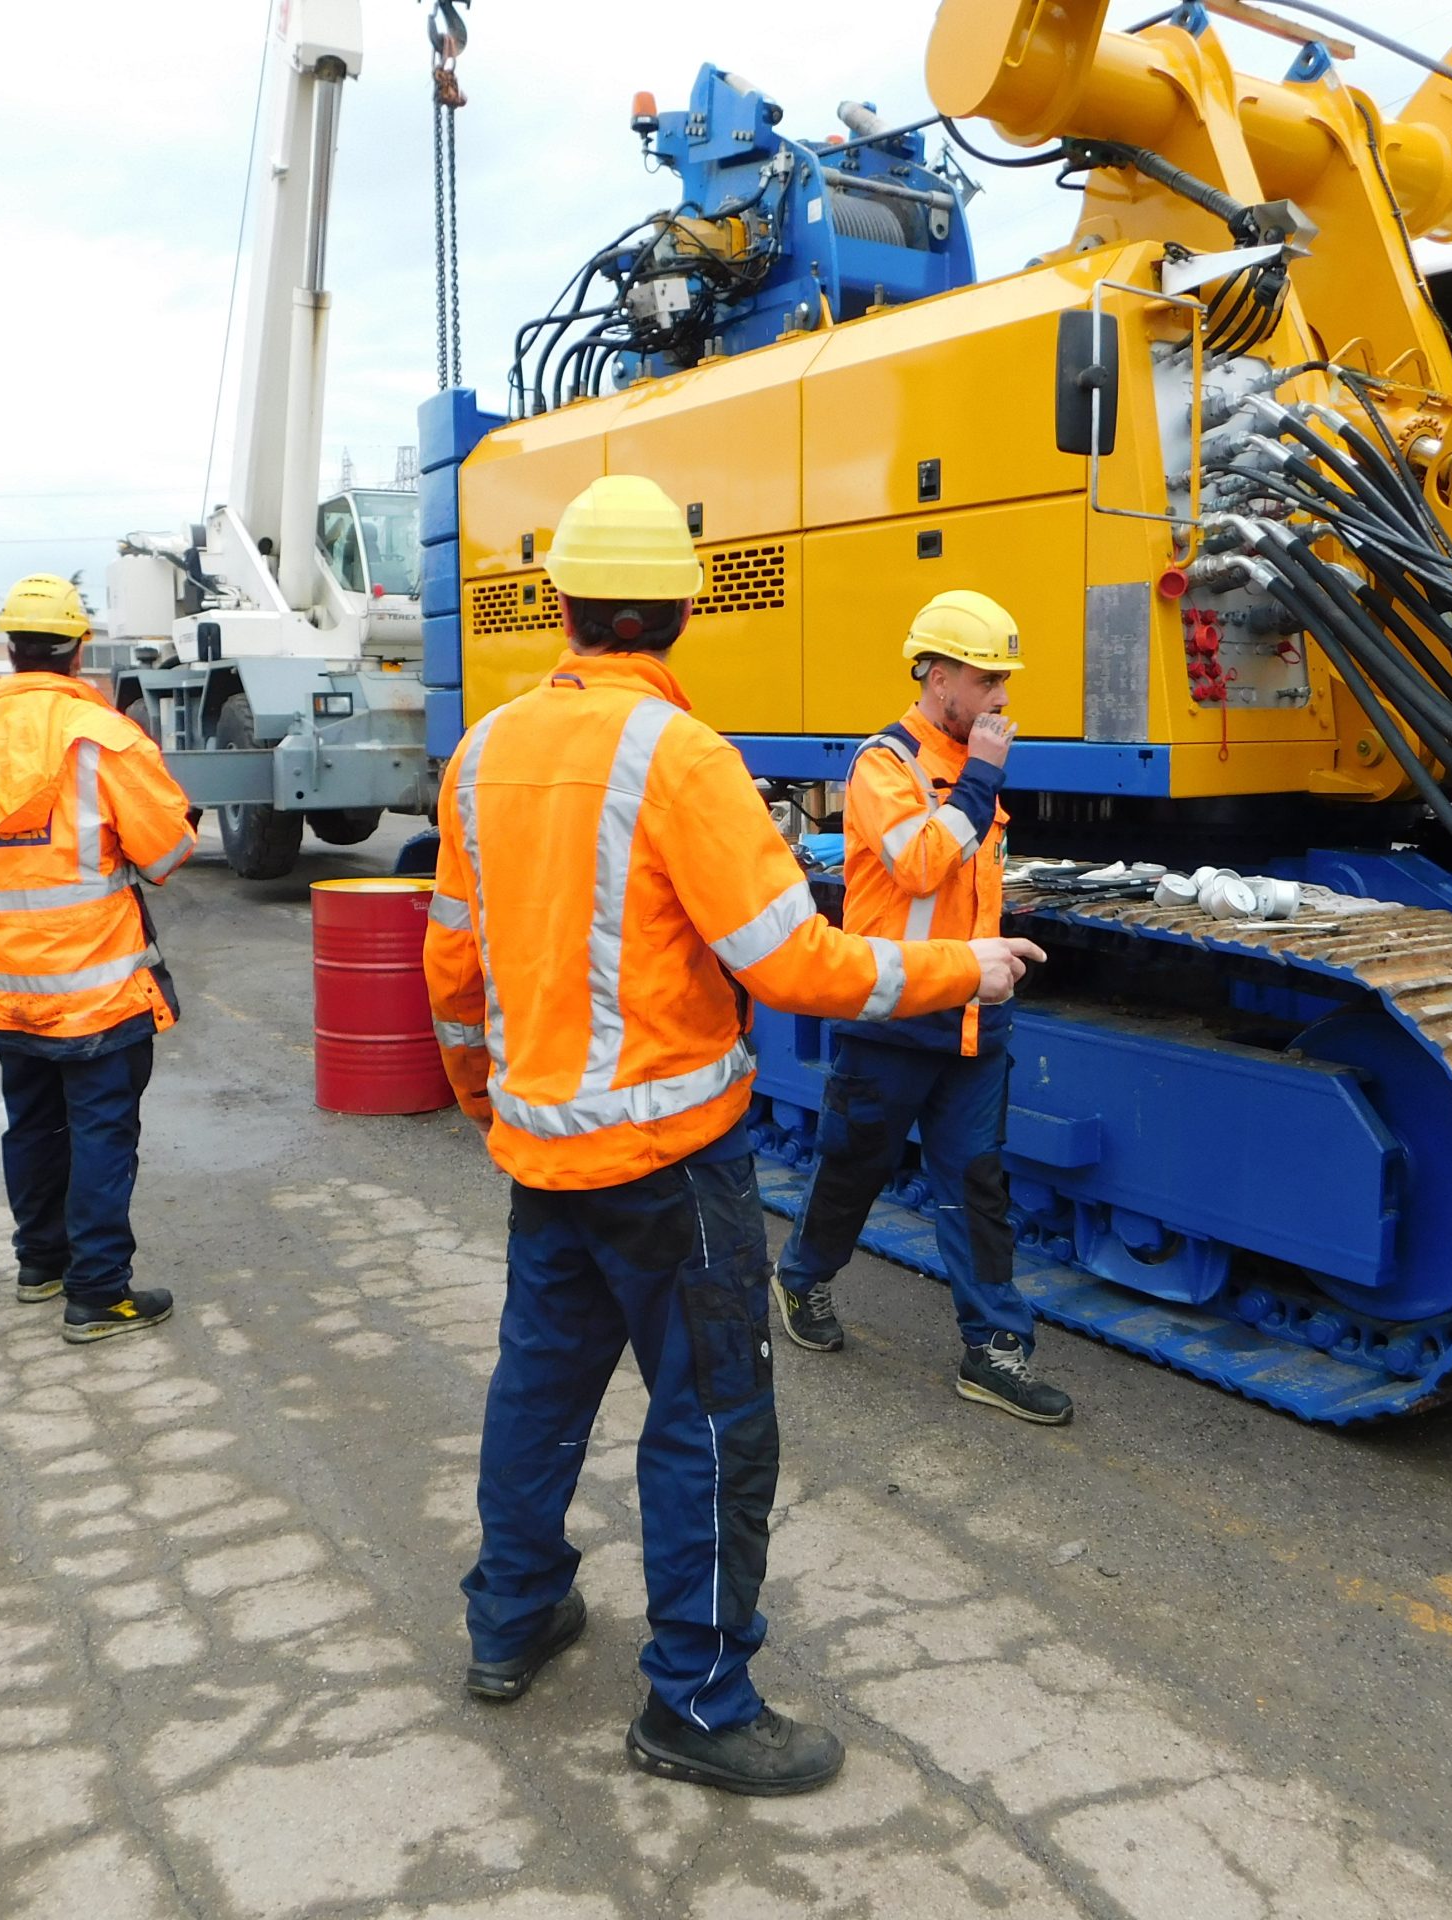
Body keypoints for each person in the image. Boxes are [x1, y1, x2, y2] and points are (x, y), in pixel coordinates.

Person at [423, 477, 1044, 1797]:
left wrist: (492, 1108)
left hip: (548, 1160)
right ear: (690, 608)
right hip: (671, 1170)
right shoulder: (679, 757)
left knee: (536, 1398)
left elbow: (451, 971)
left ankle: (512, 1617)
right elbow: (796, 963)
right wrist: (966, 971)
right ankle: (697, 1702)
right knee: (711, 1424)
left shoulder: (481, 754)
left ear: (559, 604)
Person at [771, 591, 1073, 1425]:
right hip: (896, 1015)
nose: (1003, 698)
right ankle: (801, 1283)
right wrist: (980, 778)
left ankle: (994, 1350)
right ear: (940, 677)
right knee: (853, 1165)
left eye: (1004, 680)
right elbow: (919, 865)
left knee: (976, 1184)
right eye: (988, 679)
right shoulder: (883, 766)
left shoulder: (972, 767)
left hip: (974, 1016)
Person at [0, 574, 197, 1345]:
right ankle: (97, 1294)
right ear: (79, 648)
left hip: (11, 987)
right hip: (100, 990)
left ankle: (39, 1264)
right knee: (102, 1134)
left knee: (33, 1128)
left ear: (11, 649)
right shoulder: (102, 737)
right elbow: (170, 850)